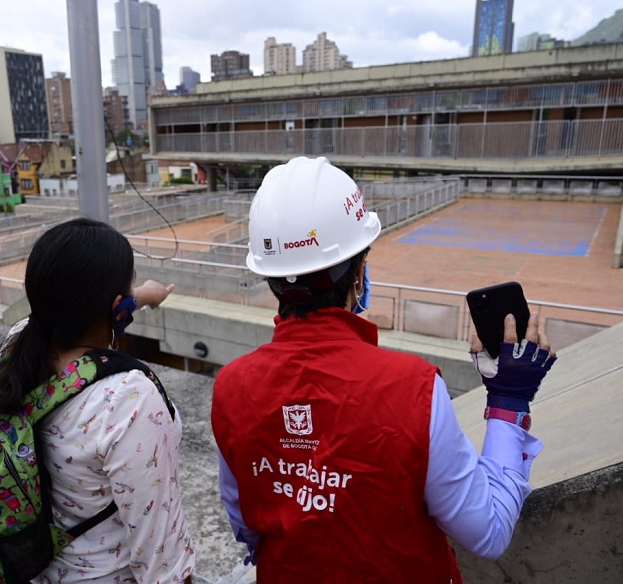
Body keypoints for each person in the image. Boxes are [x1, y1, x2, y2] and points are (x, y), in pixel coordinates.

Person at [211, 156, 558, 582]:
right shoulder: (414, 388)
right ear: (358, 274)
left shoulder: (231, 386)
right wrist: (509, 401)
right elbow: (487, 532)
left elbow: (246, 523)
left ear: (270, 278)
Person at [0, 217, 196, 583]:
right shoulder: (127, 398)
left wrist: (143, 296)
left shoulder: (19, 340)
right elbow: (161, 555)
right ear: (118, 306)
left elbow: (83, 311)